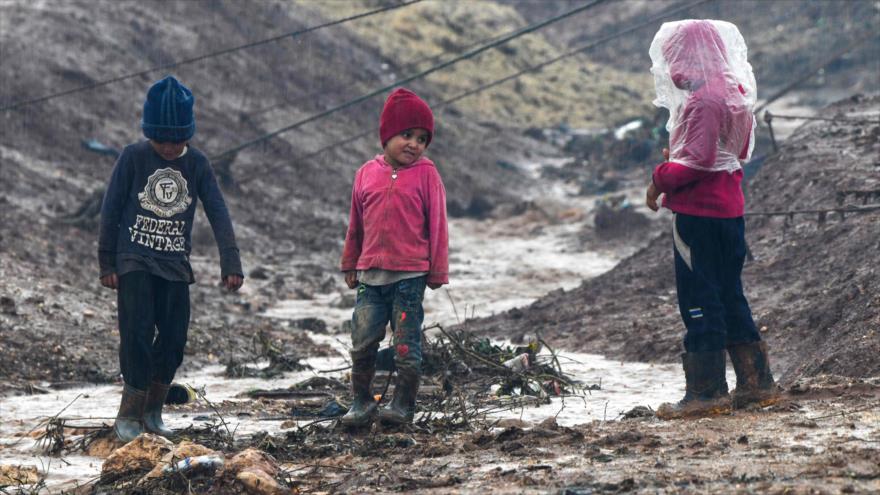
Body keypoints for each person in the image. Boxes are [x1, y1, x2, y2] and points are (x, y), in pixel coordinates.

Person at [644, 20, 778, 419]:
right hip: (729, 210)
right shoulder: (735, 94)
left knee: (699, 296)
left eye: (673, 57)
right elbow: (730, 155)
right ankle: (757, 383)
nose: (670, 67)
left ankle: (706, 392)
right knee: (728, 291)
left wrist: (658, 179)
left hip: (698, 214)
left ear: (688, 56)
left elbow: (696, 162)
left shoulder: (702, 101)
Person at [98, 75, 244, 441]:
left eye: (175, 139)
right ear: (149, 133)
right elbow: (111, 207)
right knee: (137, 332)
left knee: (175, 337)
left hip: (175, 264)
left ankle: (153, 409)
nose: (167, 146)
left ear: (188, 135)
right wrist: (107, 261)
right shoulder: (133, 156)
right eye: (160, 139)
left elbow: (218, 211)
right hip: (134, 259)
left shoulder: (197, 164)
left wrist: (231, 262)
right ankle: (129, 412)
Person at [339, 88, 449, 427]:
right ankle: (361, 402)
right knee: (363, 339)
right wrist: (350, 262)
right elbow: (356, 222)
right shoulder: (365, 173)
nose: (414, 144)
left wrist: (436, 269)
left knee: (405, 344)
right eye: (407, 135)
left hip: (409, 276)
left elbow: (438, 224)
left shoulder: (427, 174)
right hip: (370, 276)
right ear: (387, 135)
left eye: (421, 139)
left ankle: (403, 405)